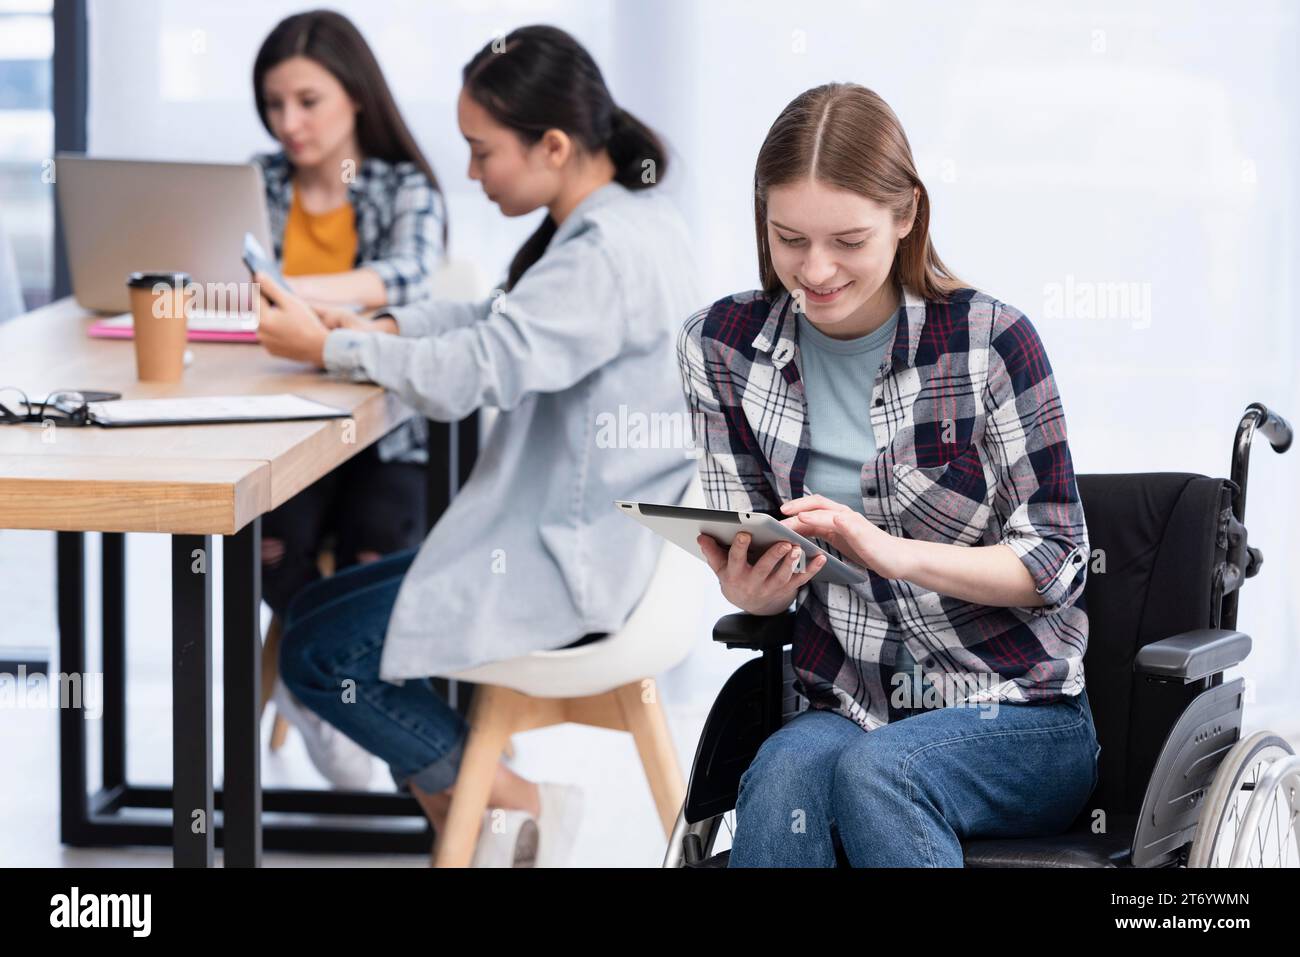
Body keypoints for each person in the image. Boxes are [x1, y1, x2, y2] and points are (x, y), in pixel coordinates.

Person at [252, 25, 701, 866]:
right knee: (316, 612)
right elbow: (500, 322)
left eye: (481, 150)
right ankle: (482, 821)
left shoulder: (603, 254)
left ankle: (515, 803)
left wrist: (329, 349)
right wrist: (375, 325)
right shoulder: (631, 222)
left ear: (554, 146)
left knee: (317, 649)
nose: (469, 172)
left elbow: (479, 369)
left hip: (569, 562)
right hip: (596, 543)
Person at [677, 82, 1101, 867]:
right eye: (788, 238)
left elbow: (1058, 561)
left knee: (881, 775)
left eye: (848, 240)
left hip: (1015, 710)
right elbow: (747, 531)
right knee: (777, 779)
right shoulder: (720, 347)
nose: (816, 269)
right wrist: (752, 587)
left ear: (906, 215)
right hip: (847, 699)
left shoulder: (990, 342)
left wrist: (889, 550)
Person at [247, 10, 449, 789]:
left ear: (356, 96)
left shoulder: (404, 188)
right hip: (282, 418)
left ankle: (358, 703)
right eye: (274, 105)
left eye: (308, 100)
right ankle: (321, 697)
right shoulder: (257, 181)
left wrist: (284, 289)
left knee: (380, 542)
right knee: (266, 543)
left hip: (385, 432)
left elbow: (405, 277)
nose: (288, 123)